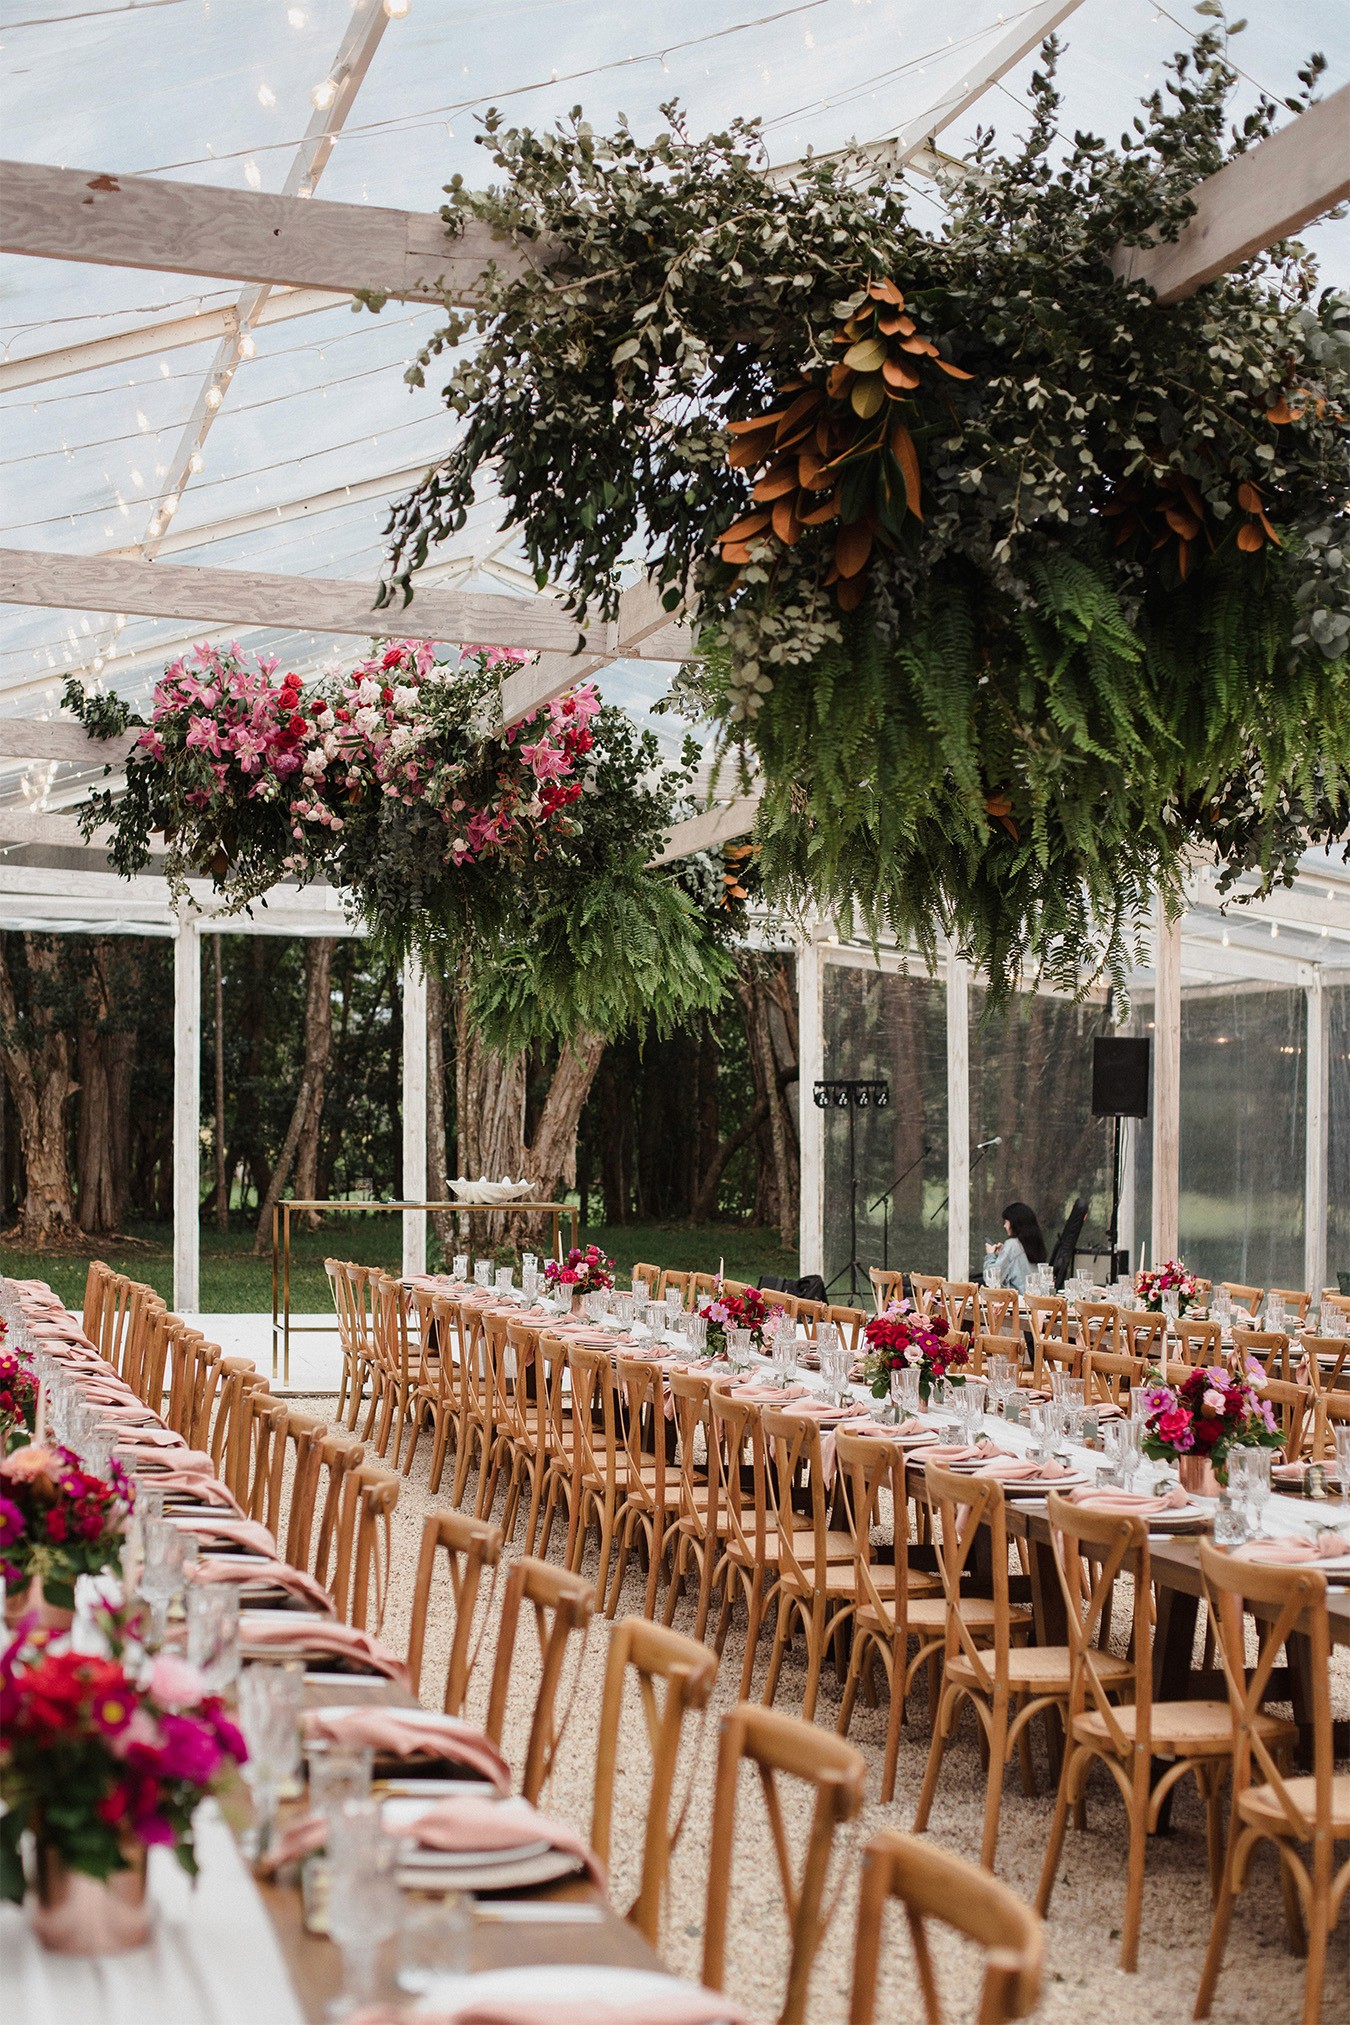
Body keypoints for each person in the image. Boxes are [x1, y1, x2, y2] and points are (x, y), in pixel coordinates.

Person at [983, 1200, 1048, 1293]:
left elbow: (993, 1278)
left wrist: (990, 1255)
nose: (1004, 1226)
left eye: (1006, 1221)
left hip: (1018, 1302)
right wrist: (1003, 1253)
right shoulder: (1033, 1243)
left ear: (1014, 1223)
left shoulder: (1012, 1244)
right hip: (1036, 1300)